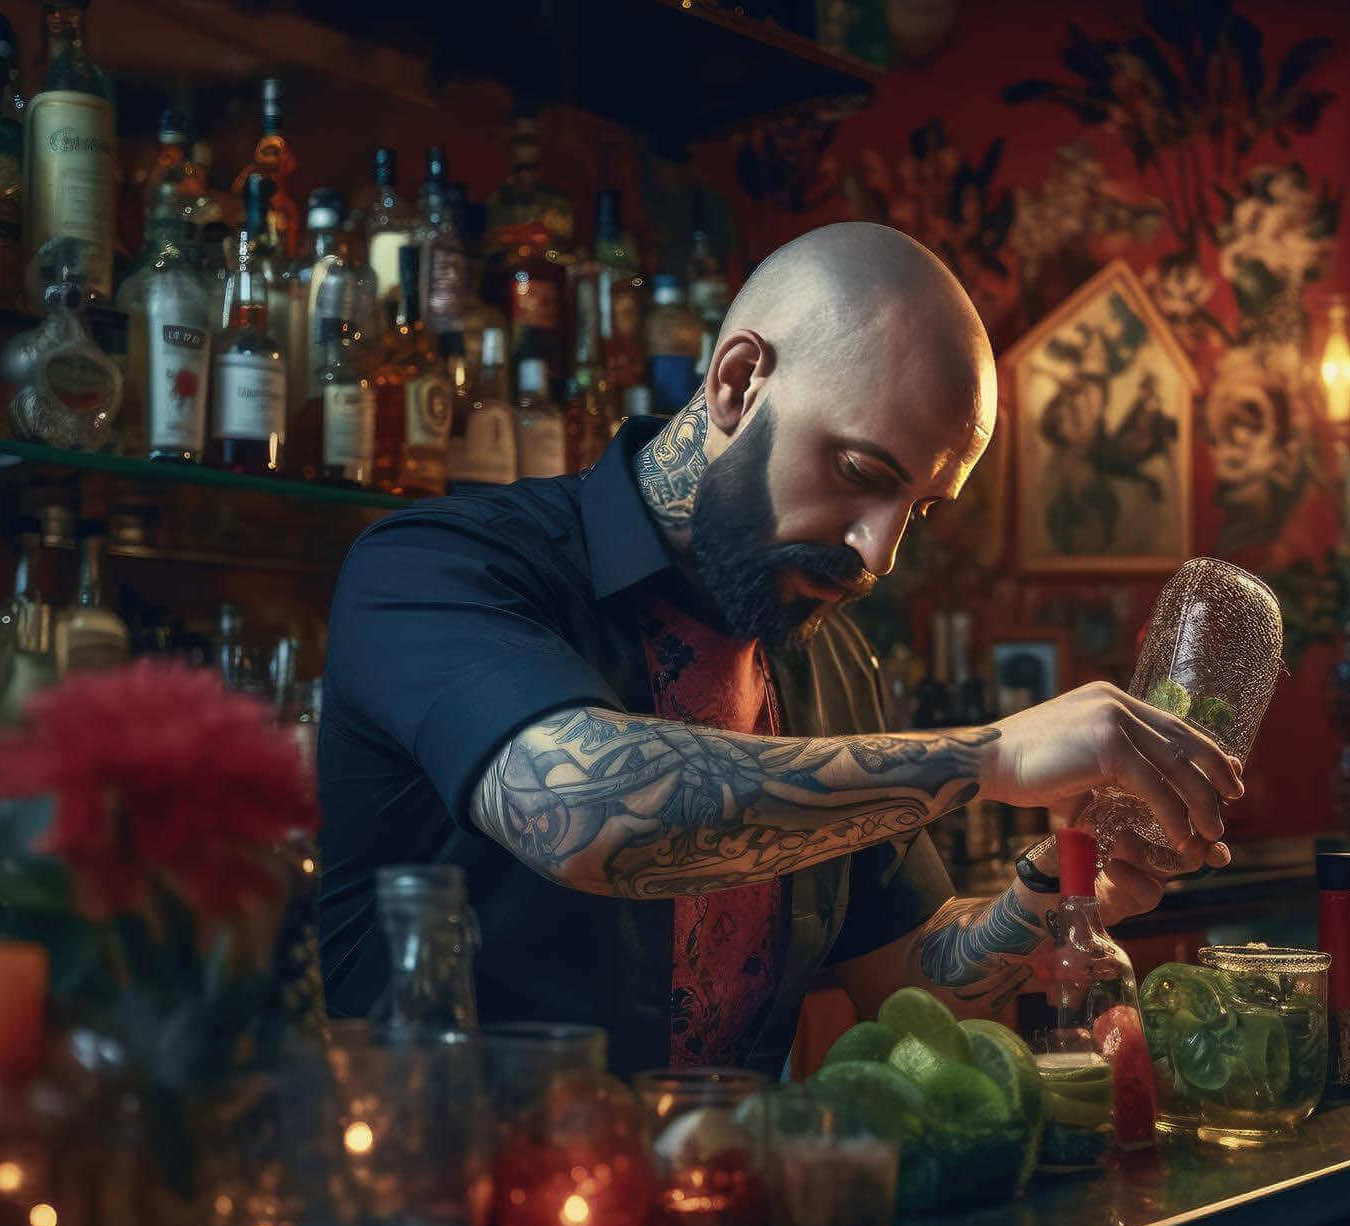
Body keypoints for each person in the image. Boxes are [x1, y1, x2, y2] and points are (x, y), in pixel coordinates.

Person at [318, 222, 1241, 1074]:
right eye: (860, 474)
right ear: (736, 381)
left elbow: (908, 983)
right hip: (444, 1217)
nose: (880, 552)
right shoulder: (436, 565)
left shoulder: (826, 659)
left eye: (916, 508)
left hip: (734, 1221)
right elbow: (588, 812)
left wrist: (1057, 884)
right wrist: (992, 754)